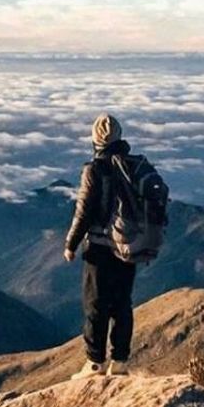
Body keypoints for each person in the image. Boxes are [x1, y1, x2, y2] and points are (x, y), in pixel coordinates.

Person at [64, 113, 137, 377]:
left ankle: (95, 362)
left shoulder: (94, 169)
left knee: (96, 305)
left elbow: (84, 211)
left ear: (95, 139)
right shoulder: (133, 166)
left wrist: (71, 243)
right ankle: (120, 361)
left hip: (99, 247)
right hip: (129, 246)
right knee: (122, 304)